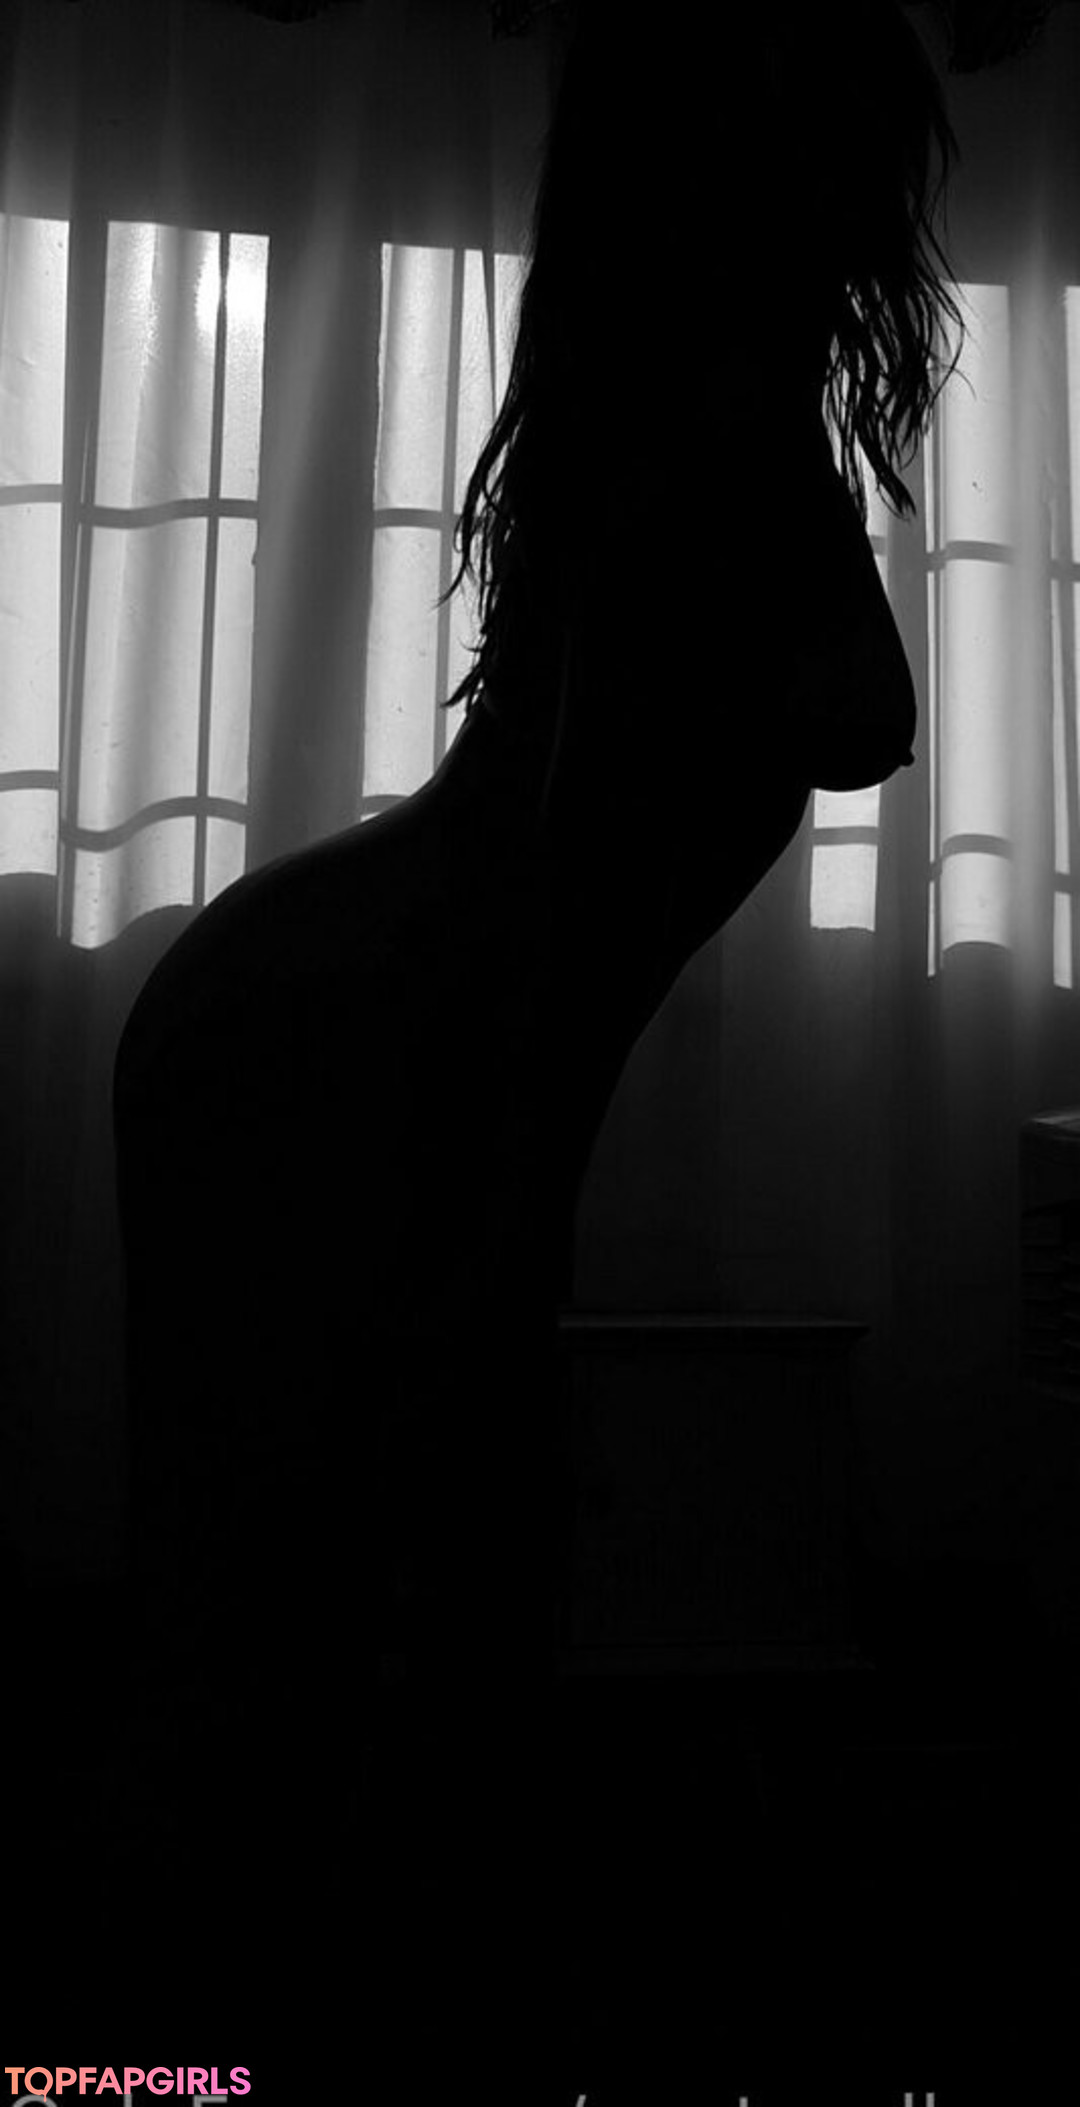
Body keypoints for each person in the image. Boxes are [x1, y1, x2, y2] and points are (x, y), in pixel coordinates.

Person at [111, 0, 961, 2058]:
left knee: (351, 1592)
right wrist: (490, 1249)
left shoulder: (686, 421)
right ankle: (213, 2042)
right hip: (344, 1036)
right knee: (346, 1588)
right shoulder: (703, 442)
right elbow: (814, 737)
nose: (881, 222)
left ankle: (248, 2024)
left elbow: (832, 730)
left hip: (327, 1009)